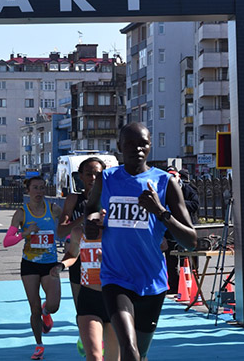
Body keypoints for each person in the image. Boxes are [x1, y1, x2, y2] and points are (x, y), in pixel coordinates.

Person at [85, 122, 197, 361]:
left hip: (152, 281)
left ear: (150, 146)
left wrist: (160, 211)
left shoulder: (166, 182)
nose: (137, 149)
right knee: (130, 350)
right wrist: (92, 223)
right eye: (130, 144)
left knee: (141, 354)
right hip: (116, 278)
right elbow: (91, 211)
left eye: (143, 144)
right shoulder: (107, 178)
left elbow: (191, 241)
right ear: (119, 147)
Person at [51, 158, 118, 361]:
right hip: (80, 256)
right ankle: (87, 337)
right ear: (80, 176)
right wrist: (86, 216)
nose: (93, 178)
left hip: (108, 259)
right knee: (84, 306)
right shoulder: (74, 200)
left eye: (97, 174)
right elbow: (61, 232)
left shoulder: (111, 198)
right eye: (88, 173)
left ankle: (99, 338)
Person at [3, 176, 63, 360]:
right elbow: (7, 241)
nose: (39, 192)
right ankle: (39, 345)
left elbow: (64, 231)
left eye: (42, 188)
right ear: (28, 191)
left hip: (50, 264)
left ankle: (47, 312)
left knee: (53, 305)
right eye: (35, 188)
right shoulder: (21, 213)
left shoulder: (53, 209)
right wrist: (25, 233)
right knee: (34, 308)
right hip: (30, 265)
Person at [164, 167, 201, 294]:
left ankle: (189, 284)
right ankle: (174, 286)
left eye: (174, 175)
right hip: (170, 230)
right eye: (170, 176)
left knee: (186, 258)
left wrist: (178, 203)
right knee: (171, 259)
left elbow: (195, 204)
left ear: (179, 176)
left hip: (186, 228)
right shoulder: (164, 190)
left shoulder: (188, 189)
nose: (172, 178)